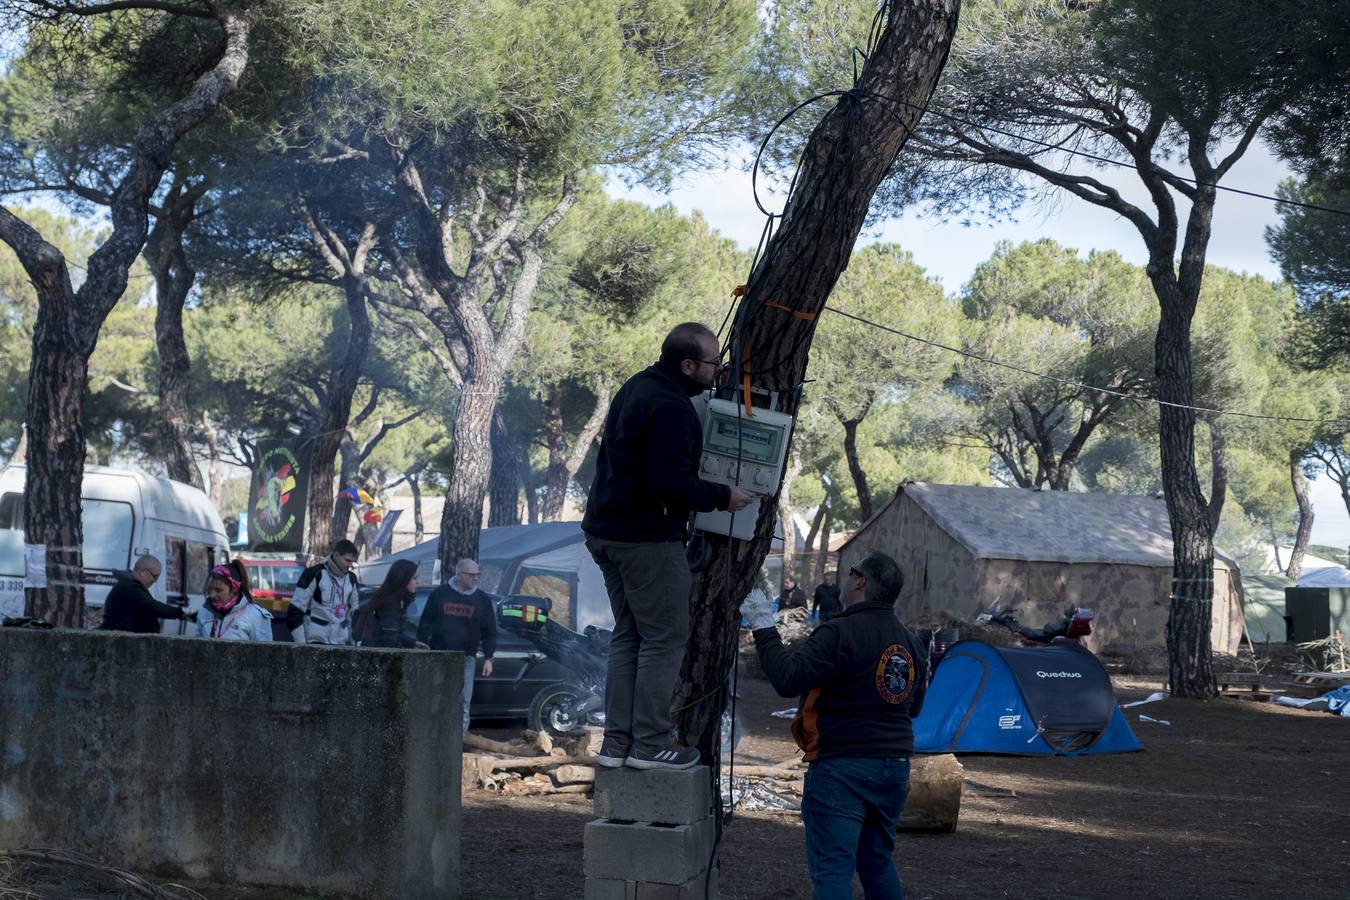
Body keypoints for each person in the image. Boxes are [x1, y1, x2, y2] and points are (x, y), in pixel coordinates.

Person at [582, 321, 754, 771]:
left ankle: (616, 743)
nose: (719, 371)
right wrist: (725, 497)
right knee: (663, 639)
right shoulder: (673, 408)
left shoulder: (638, 385)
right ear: (688, 364)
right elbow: (670, 485)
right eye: (714, 364)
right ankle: (651, 744)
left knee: (629, 637)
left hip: (605, 531)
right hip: (646, 538)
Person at [741, 552, 928, 900]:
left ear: (860, 582)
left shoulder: (839, 632)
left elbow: (787, 679)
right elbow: (914, 706)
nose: (844, 577)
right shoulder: (911, 642)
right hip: (894, 767)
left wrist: (763, 626)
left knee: (832, 871)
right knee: (877, 862)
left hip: (842, 767)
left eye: (850, 572)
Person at [417, 558, 497, 733]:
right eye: (471, 575)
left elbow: (490, 631)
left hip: (466, 657)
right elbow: (426, 622)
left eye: (477, 575)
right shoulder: (440, 594)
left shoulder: (482, 599)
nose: (476, 578)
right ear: (459, 575)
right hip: (439, 655)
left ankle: (459, 741)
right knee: (435, 698)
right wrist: (421, 645)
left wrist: (489, 658)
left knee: (463, 701)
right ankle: (433, 737)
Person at [100, 554, 194, 634]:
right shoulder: (129, 588)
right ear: (143, 572)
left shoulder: (131, 585)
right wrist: (182, 613)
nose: (156, 581)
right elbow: (153, 606)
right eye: (155, 576)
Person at [291, 539, 360, 645]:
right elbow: (295, 611)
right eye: (347, 560)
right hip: (314, 642)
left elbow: (355, 614)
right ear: (336, 555)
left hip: (341, 644)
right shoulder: (314, 573)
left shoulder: (351, 578)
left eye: (352, 561)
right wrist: (302, 646)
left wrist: (356, 645)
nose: (350, 565)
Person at [194, 561, 273, 641]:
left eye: (218, 590)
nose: (212, 595)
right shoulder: (204, 611)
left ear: (234, 589)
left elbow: (265, 651)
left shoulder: (256, 616)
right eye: (210, 589)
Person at [360, 559, 429, 649]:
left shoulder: (395, 600)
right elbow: (391, 640)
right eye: (414, 578)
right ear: (403, 579)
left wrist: (412, 643)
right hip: (378, 657)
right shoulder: (391, 604)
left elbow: (395, 633)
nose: (418, 581)